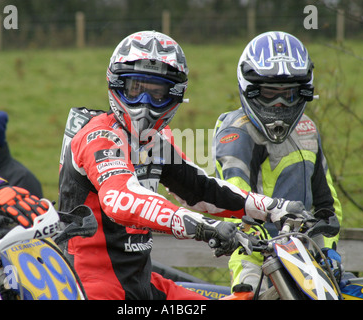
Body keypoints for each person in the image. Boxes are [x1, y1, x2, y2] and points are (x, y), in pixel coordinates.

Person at [58, 30, 308, 300]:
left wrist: (274, 208)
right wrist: (203, 227)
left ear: (175, 95)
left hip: (139, 281)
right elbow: (121, 199)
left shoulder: (154, 140)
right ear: (116, 85)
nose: (144, 103)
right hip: (88, 286)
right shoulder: (99, 137)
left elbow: (200, 190)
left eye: (157, 93)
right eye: (135, 90)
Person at [213, 31, 343, 292]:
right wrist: (258, 241)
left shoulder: (307, 129)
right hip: (256, 257)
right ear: (250, 89)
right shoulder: (237, 133)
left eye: (290, 95)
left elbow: (326, 203)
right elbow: (236, 201)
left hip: (307, 256)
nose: (280, 104)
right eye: (271, 93)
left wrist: (328, 249)